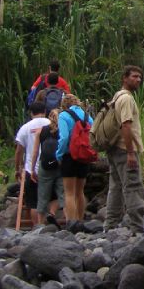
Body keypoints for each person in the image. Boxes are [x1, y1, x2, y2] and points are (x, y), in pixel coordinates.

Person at [103, 65, 144, 233]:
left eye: (139, 77)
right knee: (133, 185)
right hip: (125, 149)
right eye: (134, 76)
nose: (138, 80)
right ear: (125, 78)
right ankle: (138, 225)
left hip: (114, 148)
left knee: (115, 186)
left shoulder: (117, 97)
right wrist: (130, 152)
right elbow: (126, 126)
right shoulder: (127, 99)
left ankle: (110, 225)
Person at [57, 93, 93, 232]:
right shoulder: (86, 115)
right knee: (80, 191)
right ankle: (80, 220)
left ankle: (71, 223)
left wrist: (59, 154)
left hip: (69, 156)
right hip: (83, 156)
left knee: (69, 193)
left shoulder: (63, 115)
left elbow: (64, 137)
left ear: (64, 104)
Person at [14, 101, 51, 225]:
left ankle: (37, 228)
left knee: (33, 202)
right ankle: (51, 220)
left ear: (31, 113)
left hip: (31, 168)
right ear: (45, 111)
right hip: (51, 165)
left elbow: (19, 151)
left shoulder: (25, 128)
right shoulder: (52, 124)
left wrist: (17, 168)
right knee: (53, 197)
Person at [30, 109, 64, 227]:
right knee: (63, 194)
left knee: (43, 195)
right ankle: (69, 220)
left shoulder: (41, 131)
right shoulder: (63, 130)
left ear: (49, 118)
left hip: (44, 166)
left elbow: (35, 152)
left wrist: (32, 168)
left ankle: (40, 224)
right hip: (60, 165)